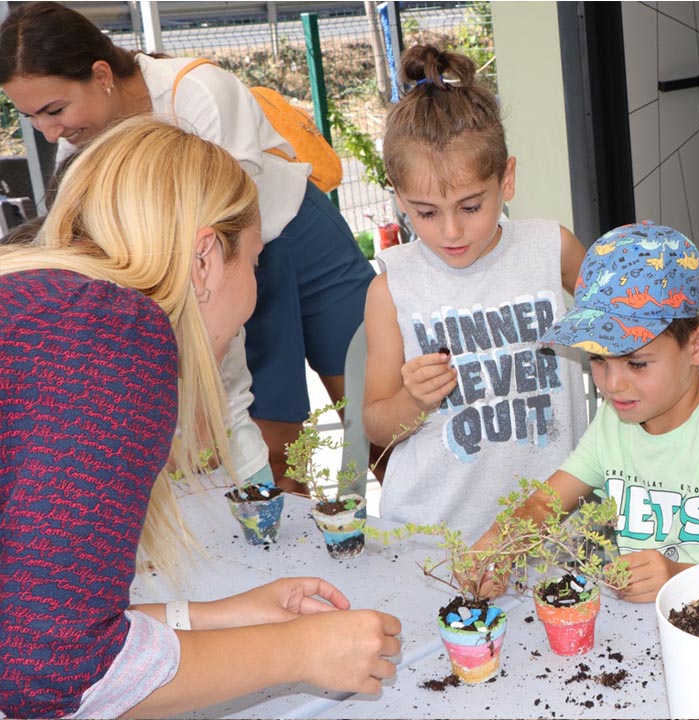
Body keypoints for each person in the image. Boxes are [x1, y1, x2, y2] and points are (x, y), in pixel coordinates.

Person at [0, 117, 400, 718]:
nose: (256, 291)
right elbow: (52, 673)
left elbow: (27, 619)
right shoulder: (115, 340)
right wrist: (297, 650)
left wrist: (219, 618)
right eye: (256, 261)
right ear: (207, 256)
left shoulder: (49, 308)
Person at [0, 1, 376, 493]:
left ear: (101, 74)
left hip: (281, 232)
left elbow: (230, 229)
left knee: (369, 404)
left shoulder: (197, 91)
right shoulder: (82, 146)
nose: (51, 132)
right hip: (224, 260)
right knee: (273, 432)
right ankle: (287, 545)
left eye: (55, 110)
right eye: (32, 119)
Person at [471, 222, 699, 604]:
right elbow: (545, 502)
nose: (612, 385)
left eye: (637, 363)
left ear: (697, 346)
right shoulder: (615, 420)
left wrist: (677, 577)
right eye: (598, 361)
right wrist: (500, 542)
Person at [362, 44, 590, 541]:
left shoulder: (551, 248)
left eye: (470, 207)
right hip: (432, 538)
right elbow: (378, 426)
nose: (450, 232)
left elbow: (620, 321)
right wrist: (412, 402)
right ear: (399, 199)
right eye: (425, 212)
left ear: (506, 179)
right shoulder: (391, 289)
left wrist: (631, 266)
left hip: (551, 531)